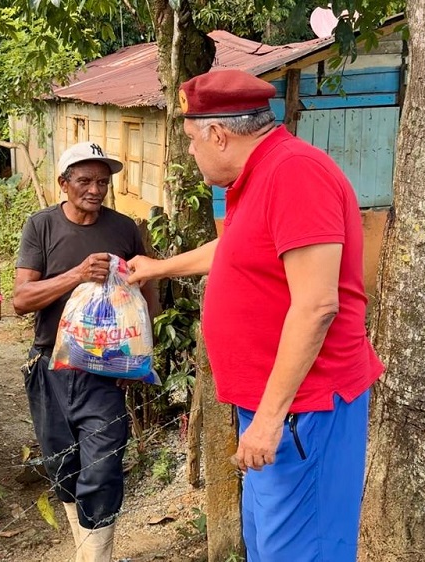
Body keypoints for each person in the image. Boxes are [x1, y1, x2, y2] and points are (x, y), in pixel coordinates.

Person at [126, 69, 385, 561]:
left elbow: (316, 306)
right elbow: (240, 250)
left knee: (303, 550)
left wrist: (268, 420)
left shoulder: (295, 175)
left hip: (302, 410)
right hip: (276, 408)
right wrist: (160, 268)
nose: (190, 152)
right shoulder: (261, 174)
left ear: (219, 135)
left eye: (190, 140)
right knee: (270, 547)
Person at [13, 142, 158, 562]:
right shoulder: (40, 226)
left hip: (106, 371)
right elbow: (21, 298)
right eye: (85, 181)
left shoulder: (125, 228)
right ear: (63, 184)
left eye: (102, 182)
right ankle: (85, 550)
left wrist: (139, 353)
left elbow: (147, 291)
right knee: (63, 464)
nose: (95, 190)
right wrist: (77, 275)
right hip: (50, 365)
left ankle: (97, 557)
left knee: (103, 465)